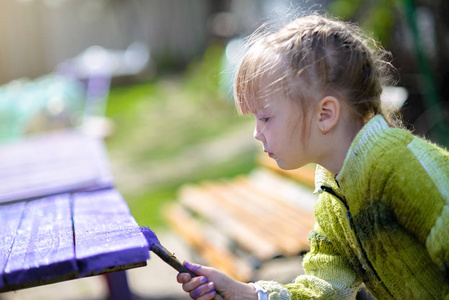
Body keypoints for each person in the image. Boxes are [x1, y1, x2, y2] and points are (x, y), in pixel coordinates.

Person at [177, 14, 449, 299]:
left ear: (325, 114)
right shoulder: (334, 191)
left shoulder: (398, 166)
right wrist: (247, 294)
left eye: (266, 117)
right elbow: (326, 288)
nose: (257, 133)